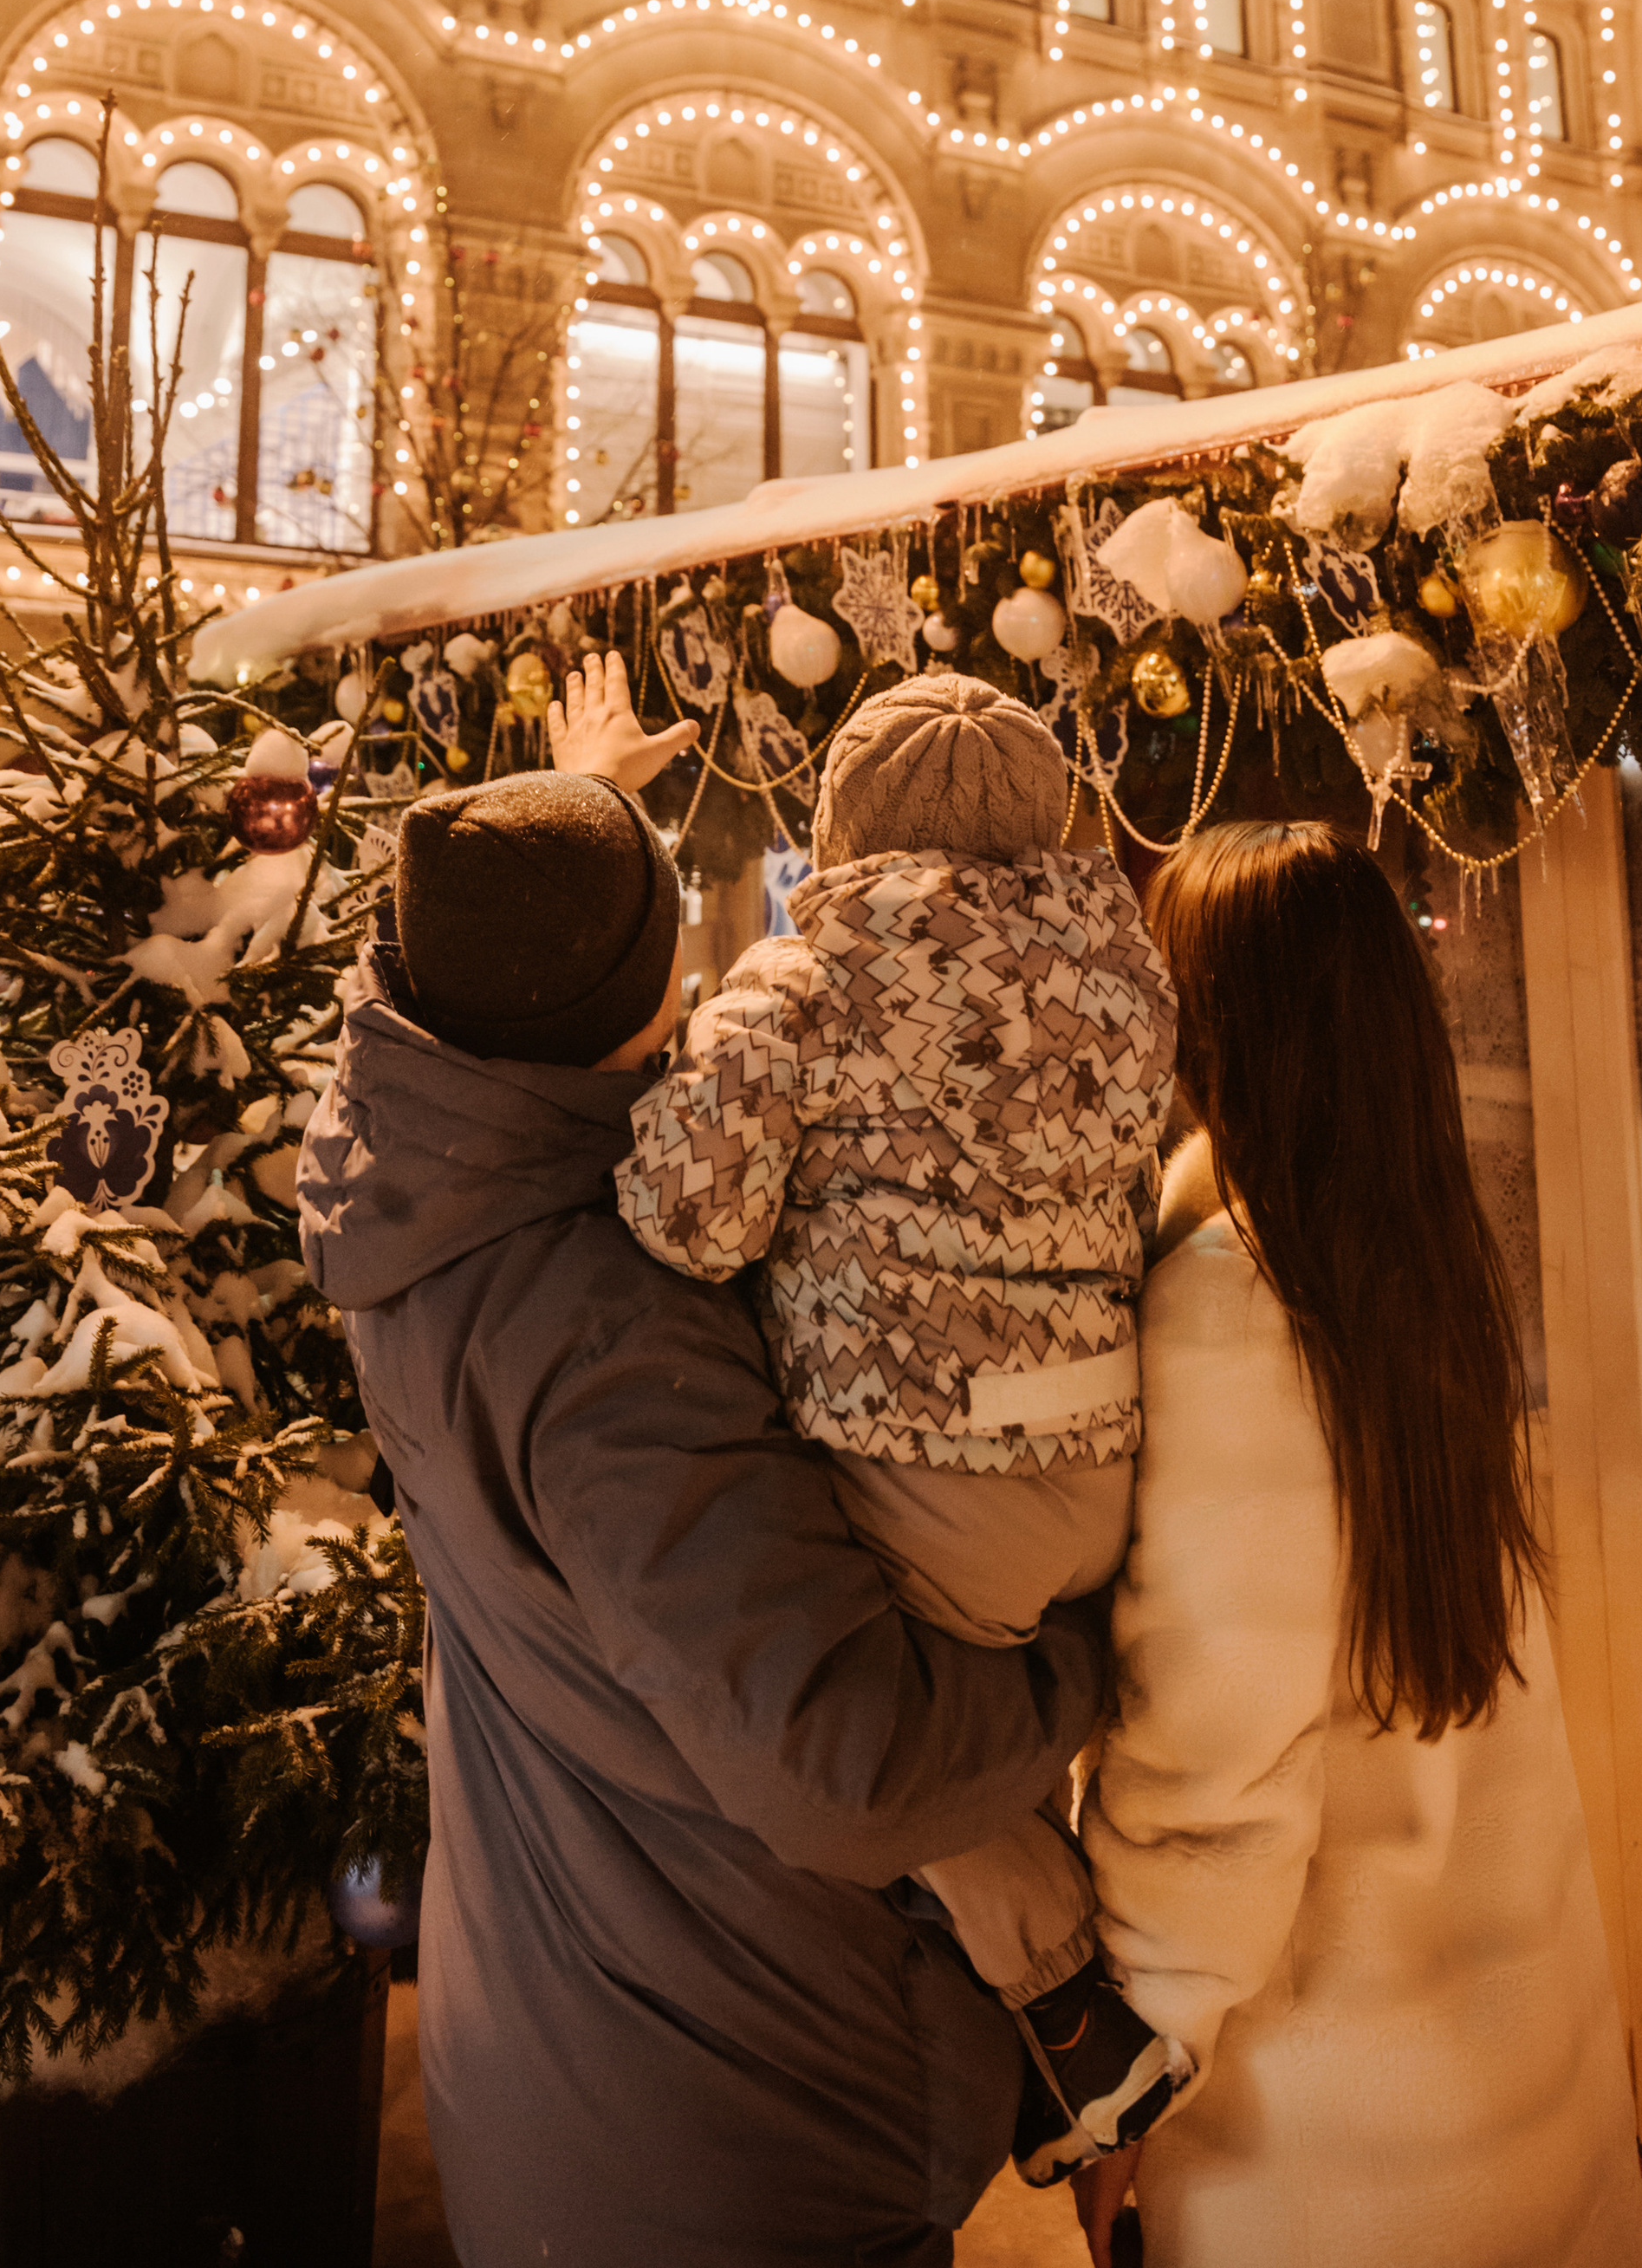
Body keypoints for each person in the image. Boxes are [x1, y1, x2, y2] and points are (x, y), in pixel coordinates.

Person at [297, 652, 1109, 2268]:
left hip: (572, 2044)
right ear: (650, 1005)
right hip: (731, 2117)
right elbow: (839, 1759)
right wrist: (1090, 1665)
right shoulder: (607, 1328)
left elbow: (499, 949)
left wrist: (586, 799)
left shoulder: (417, 1176)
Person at [616, 672, 1187, 2179]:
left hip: (923, 1469)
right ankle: (1070, 2057)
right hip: (1100, 1462)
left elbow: (686, 1220)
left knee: (850, 1758)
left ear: (842, 825)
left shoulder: (807, 980)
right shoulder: (1127, 977)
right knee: (968, 1748)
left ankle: (1075, 2024)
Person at [1074, 821, 1642, 2268]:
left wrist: (1130, 2067)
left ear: (1206, 1027)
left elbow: (1214, 1770)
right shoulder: (1423, 1257)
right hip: (1497, 2017)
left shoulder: (1228, 1300)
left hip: (1333, 2085)